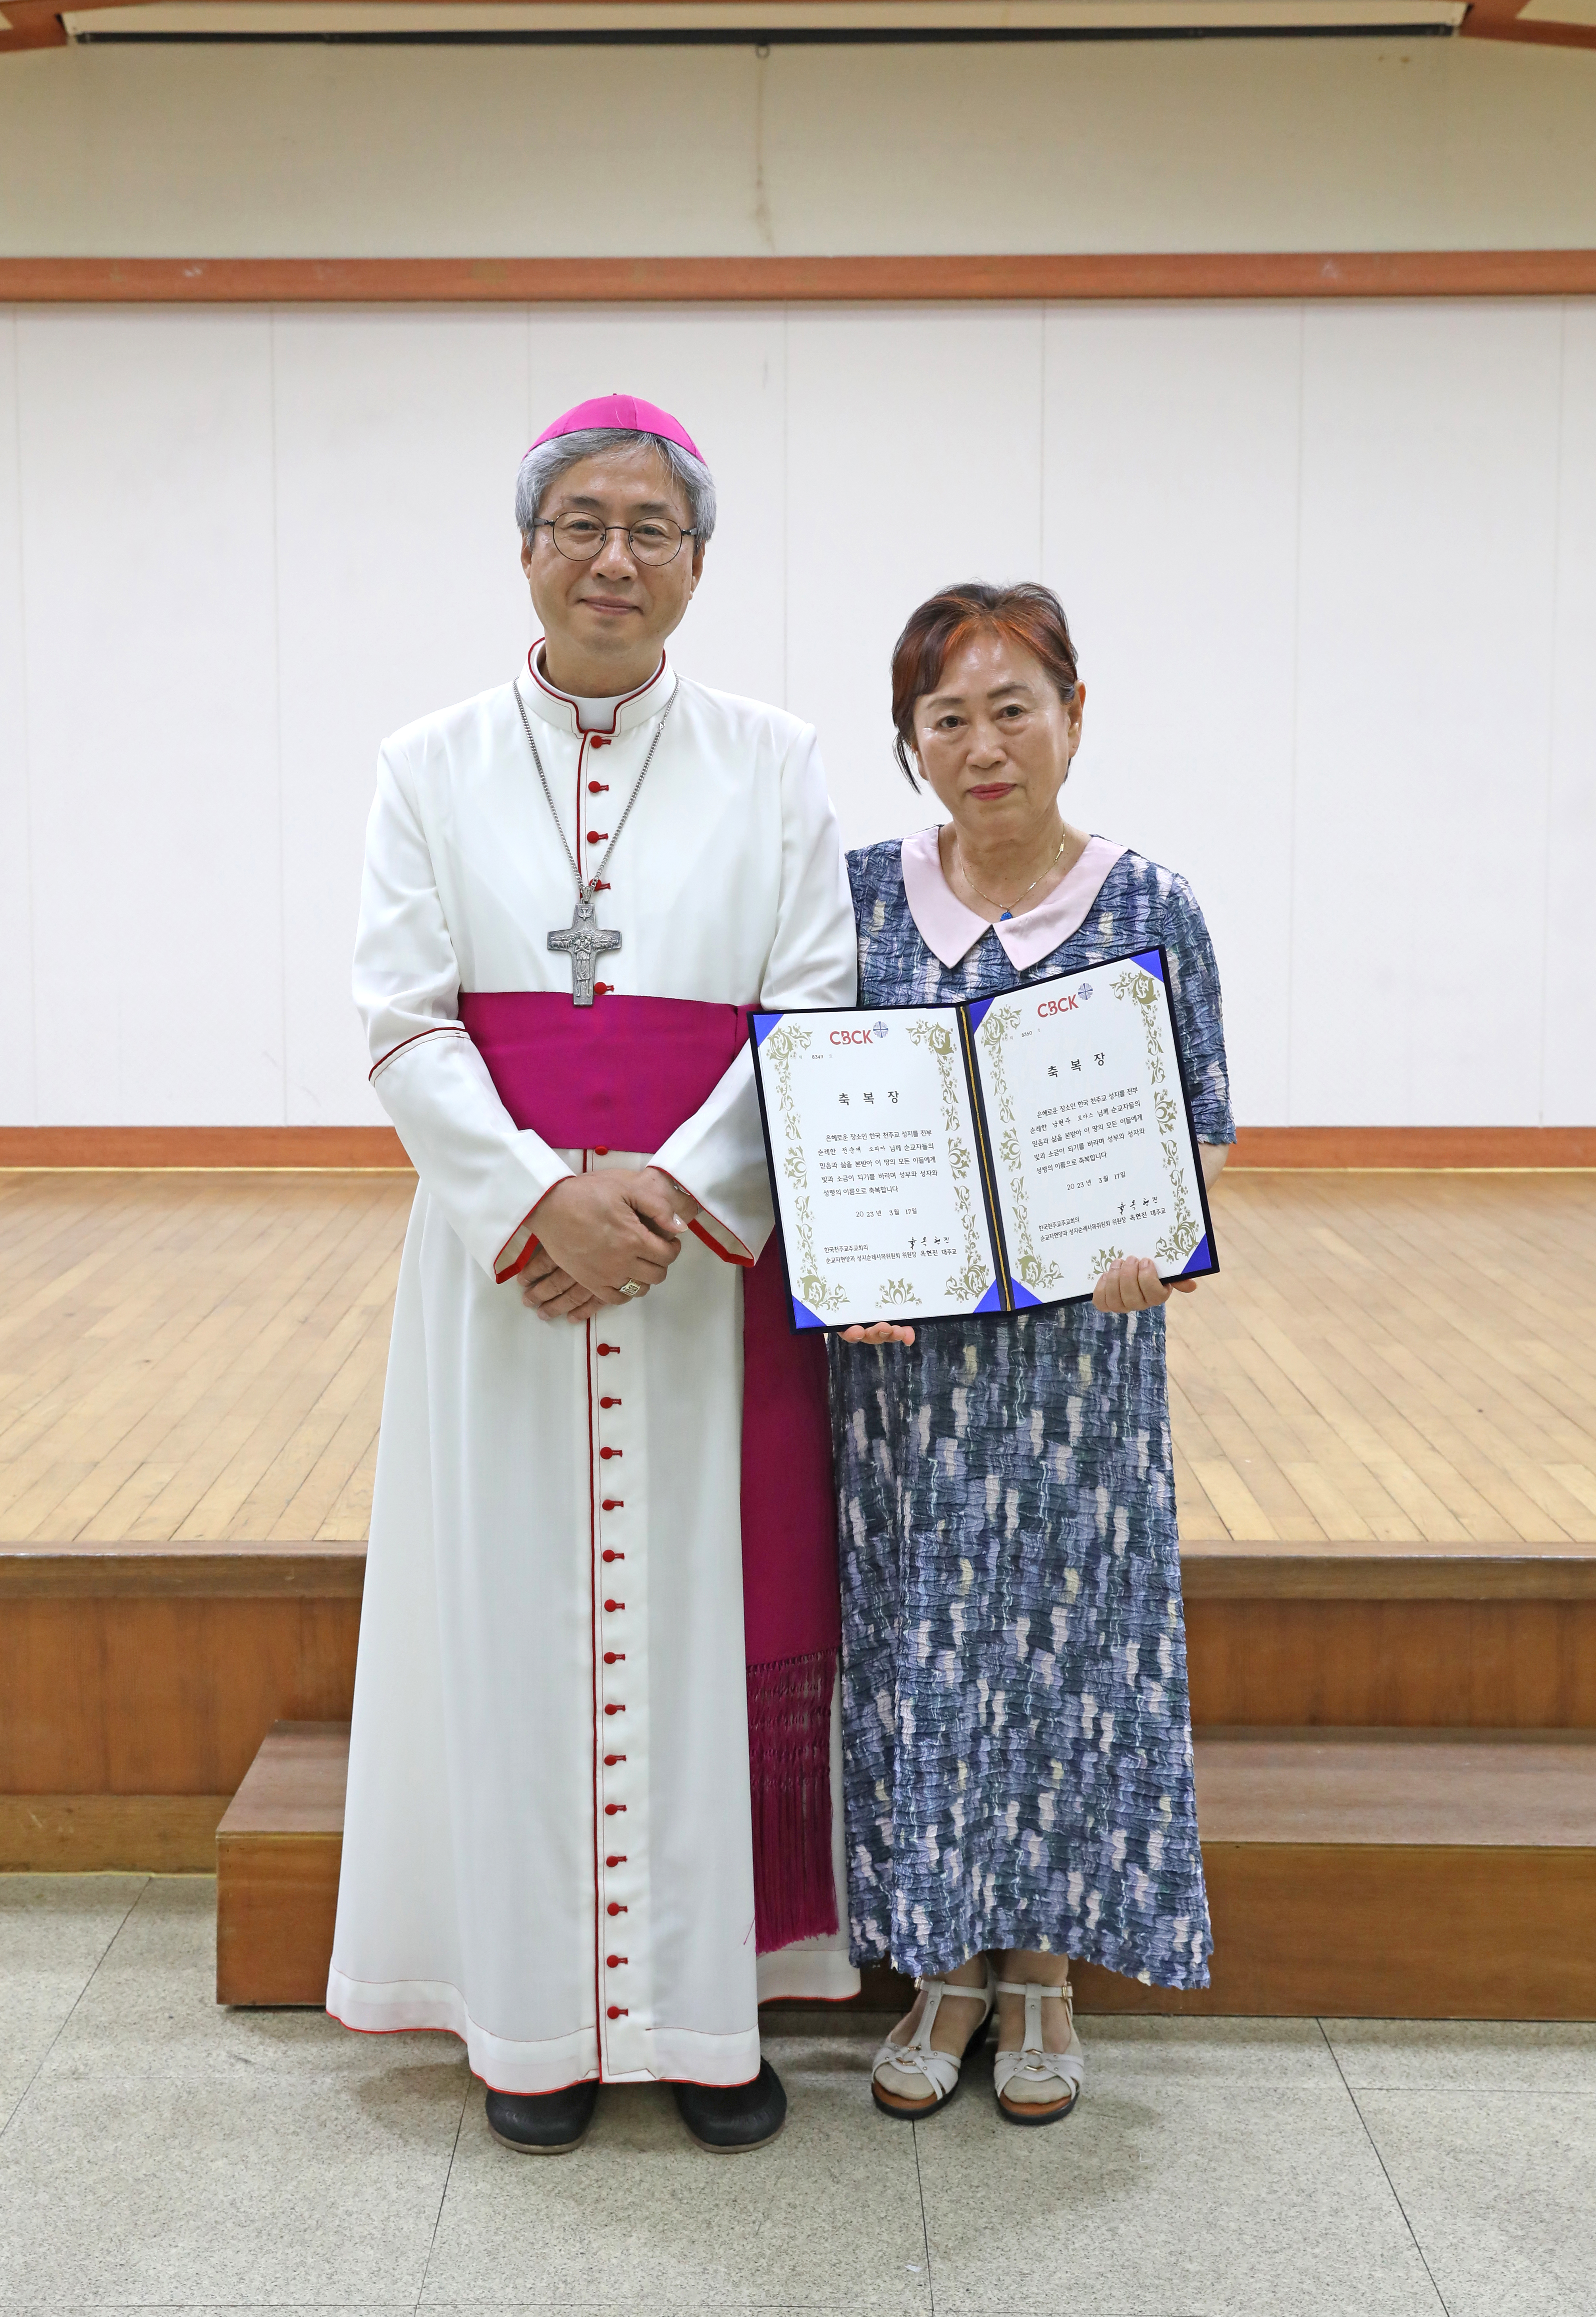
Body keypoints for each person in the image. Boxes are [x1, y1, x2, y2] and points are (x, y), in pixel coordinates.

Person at [330, 394, 858, 2156]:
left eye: (651, 526)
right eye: (582, 520)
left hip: (701, 1289)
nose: (614, 555)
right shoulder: (428, 763)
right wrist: (539, 1199)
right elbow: (401, 1016)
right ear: (531, 547)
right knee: (515, 1623)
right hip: (506, 1283)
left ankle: (711, 2022)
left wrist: (669, 1200)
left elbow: (816, 1010)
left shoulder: (778, 761)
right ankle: (533, 2025)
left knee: (704, 1627)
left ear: (698, 565)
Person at [831, 581, 1234, 2125]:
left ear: (1075, 714)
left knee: (1072, 1655)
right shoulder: (866, 895)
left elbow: (1196, 1125)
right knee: (923, 1653)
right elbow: (818, 1111)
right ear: (910, 743)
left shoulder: (1154, 906)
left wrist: (1158, 1247)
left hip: (1080, 1374)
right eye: (949, 716)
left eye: (1015, 707)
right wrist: (839, 1259)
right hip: (903, 1372)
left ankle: (1047, 1969)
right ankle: (939, 1963)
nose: (985, 744)